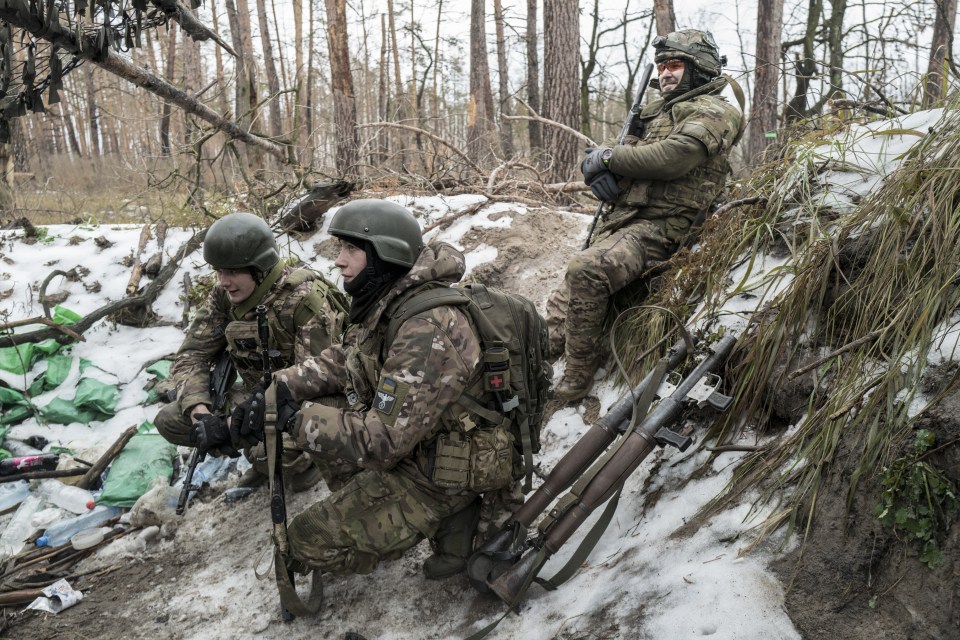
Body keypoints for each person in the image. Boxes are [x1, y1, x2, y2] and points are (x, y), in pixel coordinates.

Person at [236, 199, 516, 580]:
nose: (338, 260)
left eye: (351, 249)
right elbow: (345, 358)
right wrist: (279, 388)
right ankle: (406, 512)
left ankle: (453, 518)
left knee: (306, 539)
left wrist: (292, 420)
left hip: (442, 472)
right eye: (340, 248)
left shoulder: (425, 328)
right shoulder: (391, 299)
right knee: (321, 403)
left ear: (386, 253)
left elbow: (382, 441)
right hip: (423, 445)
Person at [548, 29, 743, 402]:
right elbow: (633, 156)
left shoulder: (716, 111)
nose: (665, 73)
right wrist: (604, 176)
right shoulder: (660, 111)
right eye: (662, 66)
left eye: (674, 65)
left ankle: (578, 377)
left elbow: (673, 159)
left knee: (585, 269)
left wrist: (606, 157)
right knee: (555, 326)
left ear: (698, 69)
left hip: (666, 227)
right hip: (625, 221)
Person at [154, 211, 347, 490]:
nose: (222, 281)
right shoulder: (225, 296)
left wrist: (236, 421)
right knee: (171, 420)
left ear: (260, 267)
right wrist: (200, 409)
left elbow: (317, 386)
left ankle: (300, 464)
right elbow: (192, 354)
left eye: (232, 272)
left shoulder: (304, 302)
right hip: (257, 398)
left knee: (270, 452)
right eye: (218, 271)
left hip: (301, 405)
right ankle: (263, 458)